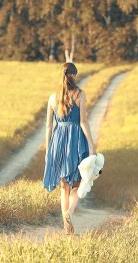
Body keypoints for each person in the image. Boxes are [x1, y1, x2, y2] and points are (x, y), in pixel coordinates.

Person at [42, 62, 96, 235]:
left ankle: (67, 230)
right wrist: (92, 146)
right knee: (77, 184)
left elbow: (49, 126)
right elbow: (83, 122)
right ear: (73, 75)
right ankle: (69, 214)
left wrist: (48, 149)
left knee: (63, 186)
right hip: (76, 140)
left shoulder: (52, 97)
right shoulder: (80, 94)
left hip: (58, 141)